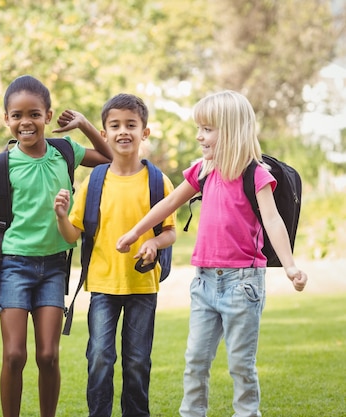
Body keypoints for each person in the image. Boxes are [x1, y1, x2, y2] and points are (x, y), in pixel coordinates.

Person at [116, 90, 308, 417]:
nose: (199, 135)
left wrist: (290, 266)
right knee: (195, 362)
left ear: (230, 130)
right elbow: (169, 203)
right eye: (199, 128)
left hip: (243, 284)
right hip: (204, 282)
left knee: (241, 366)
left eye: (207, 129)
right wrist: (136, 231)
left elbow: (274, 220)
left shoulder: (255, 173)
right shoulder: (203, 170)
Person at [0, 75, 112, 417]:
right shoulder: (0, 165)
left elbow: (112, 158)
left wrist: (84, 124)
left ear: (47, 115)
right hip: (14, 266)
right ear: (6, 119)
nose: (25, 122)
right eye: (17, 115)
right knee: (14, 354)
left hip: (55, 265)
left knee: (48, 355)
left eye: (34, 114)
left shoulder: (65, 151)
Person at [54, 93, 176, 417]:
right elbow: (73, 235)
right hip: (103, 287)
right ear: (104, 134)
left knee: (137, 361)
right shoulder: (94, 180)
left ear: (144, 132)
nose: (124, 131)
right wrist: (62, 217)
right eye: (116, 125)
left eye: (131, 125)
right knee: (99, 358)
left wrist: (154, 244)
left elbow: (170, 231)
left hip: (143, 287)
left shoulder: (157, 181)